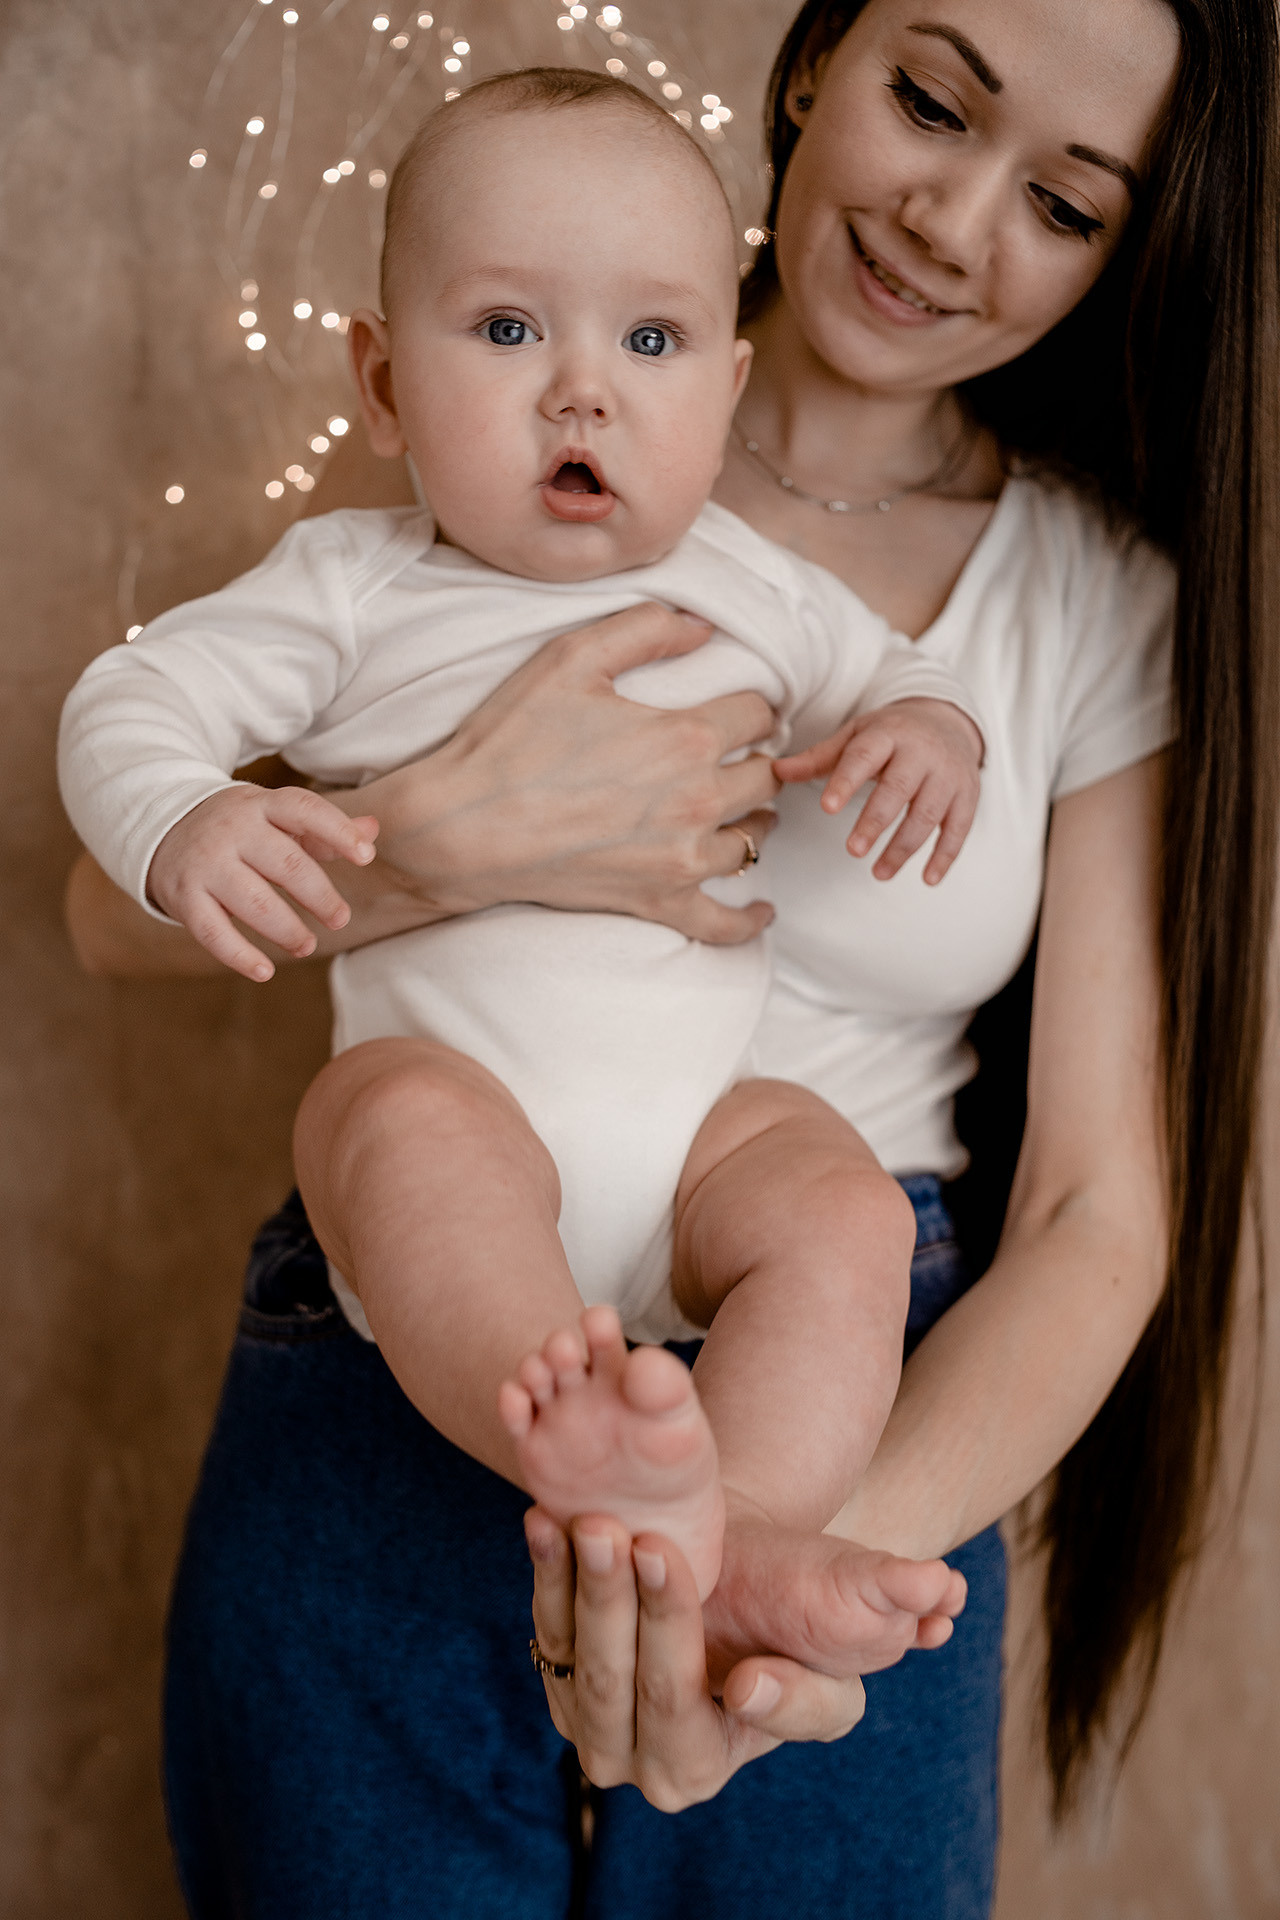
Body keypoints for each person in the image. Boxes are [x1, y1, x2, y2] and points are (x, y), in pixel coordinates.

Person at [61, 0, 1280, 1915]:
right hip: (420, 1314)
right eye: (930, 98)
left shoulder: (1083, 596)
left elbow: (1100, 1221)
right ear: (814, 67)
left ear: (1132, 249)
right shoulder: (467, 471)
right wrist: (448, 843)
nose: (954, 219)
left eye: (1061, 197)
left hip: (843, 1407)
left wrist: (745, 1582)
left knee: (832, 1218)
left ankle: (744, 1527)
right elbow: (105, 905)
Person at [58, 71, 986, 1626]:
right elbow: (132, 694)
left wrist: (928, 732)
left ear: (726, 383)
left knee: (846, 1211)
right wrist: (187, 815)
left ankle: (736, 1524)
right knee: (384, 1116)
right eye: (504, 331)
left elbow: (903, 672)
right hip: (475, 1139)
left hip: (705, 1147)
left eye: (649, 341)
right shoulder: (354, 586)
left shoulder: (754, 579)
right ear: (382, 382)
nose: (583, 392)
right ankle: (588, 1458)